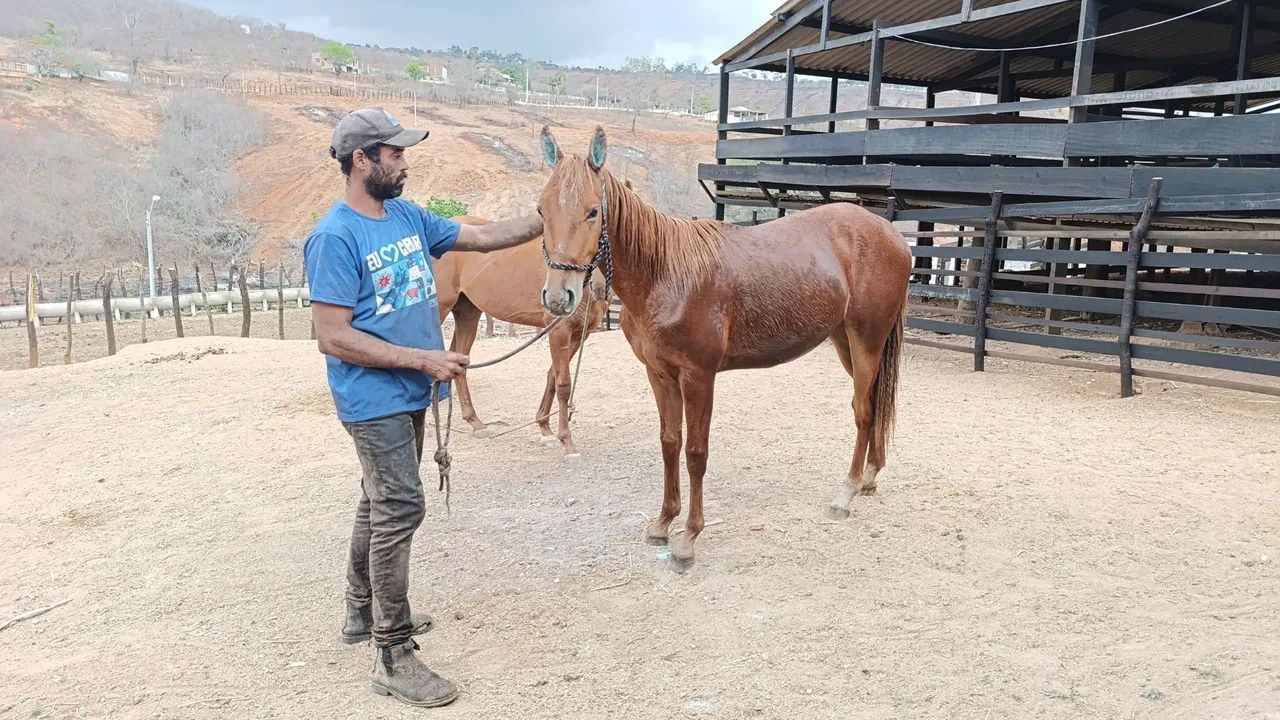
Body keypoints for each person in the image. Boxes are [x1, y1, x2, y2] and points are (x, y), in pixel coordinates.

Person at [303, 107, 542, 708]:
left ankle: (361, 614)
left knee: (379, 500)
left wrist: (549, 217)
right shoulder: (334, 236)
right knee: (400, 508)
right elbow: (332, 335)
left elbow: (483, 238)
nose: (405, 163)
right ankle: (393, 653)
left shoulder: (407, 216)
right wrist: (422, 359)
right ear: (363, 160)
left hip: (409, 392)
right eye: (396, 154)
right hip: (373, 399)